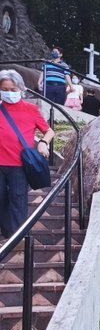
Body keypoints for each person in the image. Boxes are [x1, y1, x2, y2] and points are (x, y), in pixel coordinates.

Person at [0, 69, 54, 238]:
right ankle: (6, 230)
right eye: (5, 89)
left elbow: (49, 131)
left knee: (18, 199)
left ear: (21, 89)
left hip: (19, 165)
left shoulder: (30, 109)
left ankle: (16, 237)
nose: (9, 93)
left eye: (13, 90)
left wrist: (44, 143)